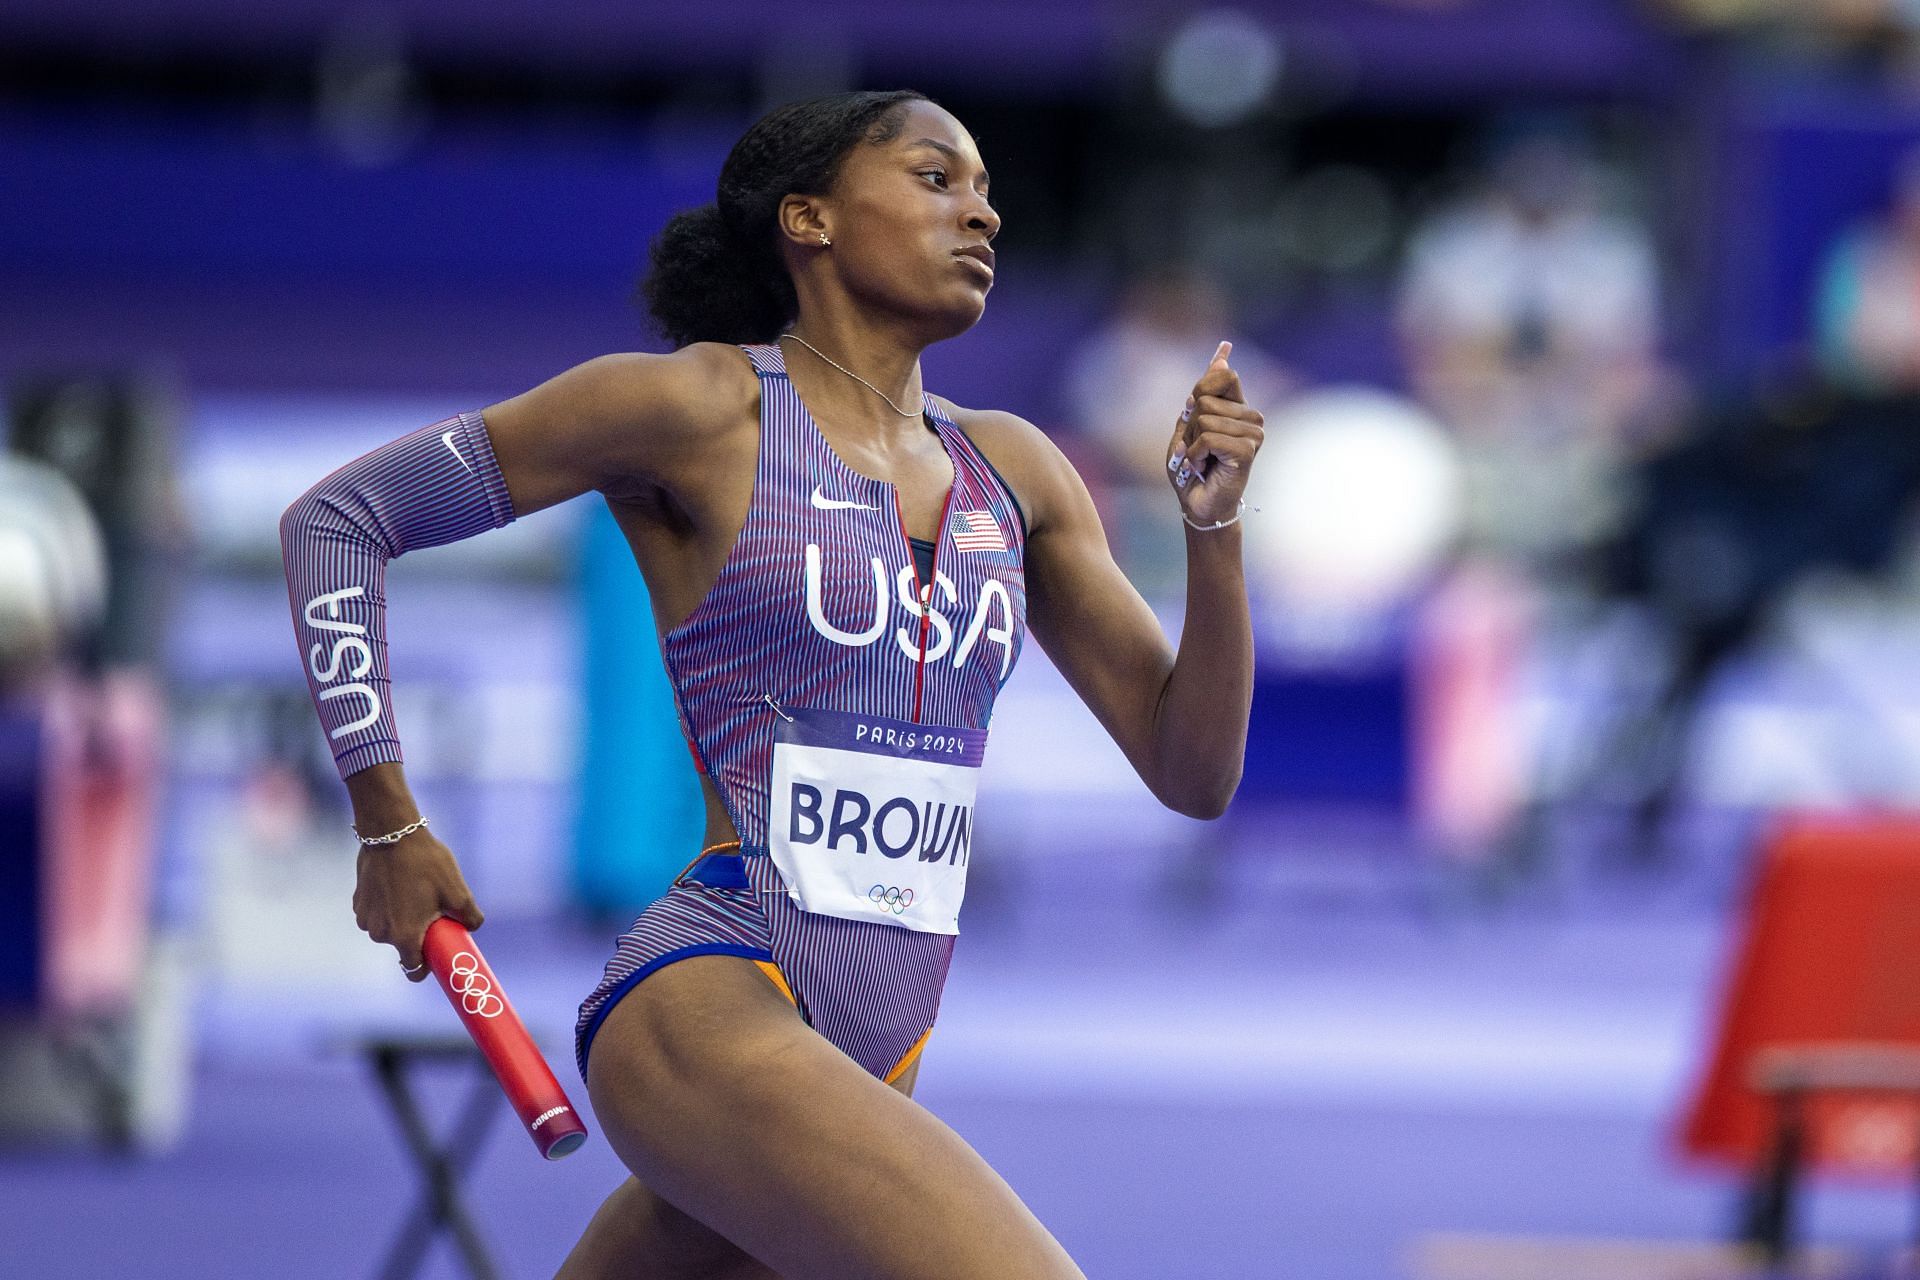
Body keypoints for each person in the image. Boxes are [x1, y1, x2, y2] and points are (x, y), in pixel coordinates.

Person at [279, 89, 1262, 1279]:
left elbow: (1192, 769)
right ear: (811, 218)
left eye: (988, 189)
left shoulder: (1016, 470)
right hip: (716, 991)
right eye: (936, 179)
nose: (985, 214)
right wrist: (389, 819)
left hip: (878, 1046)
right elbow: (340, 517)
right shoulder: (695, 407)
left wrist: (1216, 531)